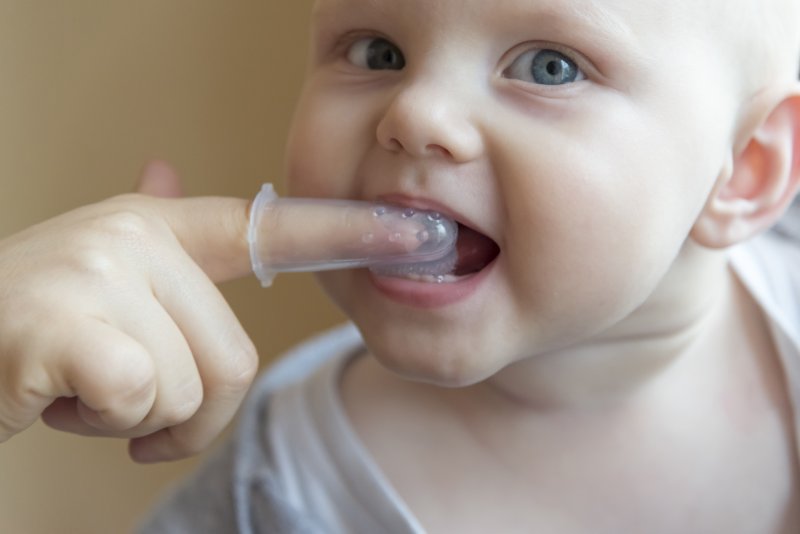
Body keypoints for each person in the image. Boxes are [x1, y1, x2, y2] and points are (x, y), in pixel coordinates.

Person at [3, 0, 800, 531]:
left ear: (746, 170)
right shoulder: (275, 497)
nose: (414, 113)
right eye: (377, 50)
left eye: (549, 66)